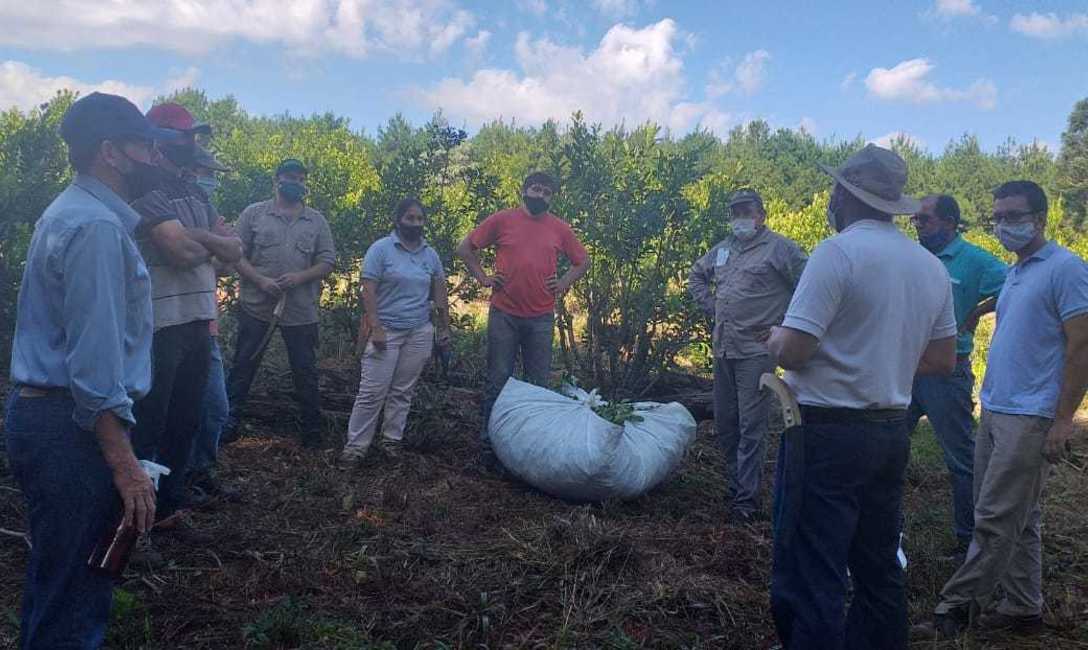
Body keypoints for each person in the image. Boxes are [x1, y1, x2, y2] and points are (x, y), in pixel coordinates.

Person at [766, 144, 957, 649]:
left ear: (845, 195)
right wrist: (882, 356)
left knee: (814, 568)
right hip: (891, 430)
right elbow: (941, 360)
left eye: (835, 190)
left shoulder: (838, 252)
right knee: (878, 566)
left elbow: (797, 351)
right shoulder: (929, 266)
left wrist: (775, 338)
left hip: (827, 432)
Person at [4, 92, 173, 648]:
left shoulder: (78, 214)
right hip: (70, 429)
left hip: (55, 421)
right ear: (111, 153)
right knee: (75, 596)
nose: (156, 158)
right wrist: (123, 464)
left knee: (58, 582)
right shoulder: (95, 228)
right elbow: (94, 364)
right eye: (145, 146)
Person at [913, 181, 1088, 639]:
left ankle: (954, 610)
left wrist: (1064, 418)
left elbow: (1081, 346)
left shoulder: (1066, 269)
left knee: (992, 517)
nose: (1005, 224)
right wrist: (976, 312)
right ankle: (1023, 609)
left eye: (1015, 215)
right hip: (995, 406)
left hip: (1031, 415)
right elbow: (1017, 307)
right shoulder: (1017, 271)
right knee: (1021, 517)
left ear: (1041, 217)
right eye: (999, 216)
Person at [129, 103, 243, 526]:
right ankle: (135, 521)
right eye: (182, 135)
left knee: (186, 421)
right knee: (149, 426)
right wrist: (209, 244)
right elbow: (176, 252)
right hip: (161, 324)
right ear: (156, 139)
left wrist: (203, 242)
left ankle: (170, 510)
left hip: (198, 319)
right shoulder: (141, 186)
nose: (190, 143)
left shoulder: (195, 192)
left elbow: (233, 254)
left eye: (193, 135)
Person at [688, 188, 807, 524]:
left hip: (757, 351)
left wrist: (787, 327)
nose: (741, 218)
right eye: (735, 212)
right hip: (723, 346)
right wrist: (711, 307)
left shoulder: (780, 249)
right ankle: (735, 481)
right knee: (726, 421)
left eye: (747, 211)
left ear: (761, 215)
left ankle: (746, 502)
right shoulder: (724, 249)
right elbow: (697, 276)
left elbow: (810, 285)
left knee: (751, 426)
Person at [456, 171, 590, 466]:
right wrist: (483, 277)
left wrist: (564, 282)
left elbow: (583, 261)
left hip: (541, 317)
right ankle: (489, 447)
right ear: (524, 190)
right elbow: (465, 248)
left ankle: (530, 448)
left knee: (537, 385)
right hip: (504, 313)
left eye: (546, 191)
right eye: (535, 189)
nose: (540, 195)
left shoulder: (560, 229)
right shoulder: (502, 220)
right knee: (497, 380)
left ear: (552, 197)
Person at [908, 194, 1007, 558]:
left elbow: (1012, 284)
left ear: (950, 222)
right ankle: (884, 530)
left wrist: (978, 311)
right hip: (905, 369)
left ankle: (969, 541)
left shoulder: (975, 260)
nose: (918, 227)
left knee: (961, 459)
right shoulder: (916, 257)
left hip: (946, 373)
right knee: (885, 445)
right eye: (915, 221)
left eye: (926, 220)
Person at [225, 158, 337, 449]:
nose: (296, 183)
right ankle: (227, 425)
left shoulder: (316, 221)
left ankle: (312, 435)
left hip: (300, 311)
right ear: (277, 181)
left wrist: (301, 277)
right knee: (243, 367)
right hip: (256, 307)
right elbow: (236, 254)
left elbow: (327, 261)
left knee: (305, 372)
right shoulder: (254, 214)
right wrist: (260, 281)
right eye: (290, 177)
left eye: (301, 179)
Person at [340, 198, 452, 465]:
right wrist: (375, 326)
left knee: (402, 391)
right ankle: (355, 448)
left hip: (418, 331)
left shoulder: (430, 255)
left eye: (419, 219)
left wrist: (444, 327)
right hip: (386, 330)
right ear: (398, 220)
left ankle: (391, 442)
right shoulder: (381, 249)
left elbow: (439, 291)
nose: (415, 224)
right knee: (372, 391)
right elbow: (368, 289)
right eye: (410, 218)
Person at [185, 145, 241, 501]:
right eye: (207, 174)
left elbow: (225, 265)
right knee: (182, 411)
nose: (211, 181)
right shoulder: (164, 212)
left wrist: (217, 243)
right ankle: (173, 485)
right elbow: (178, 254)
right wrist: (217, 242)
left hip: (206, 325)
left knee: (215, 409)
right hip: (178, 328)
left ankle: (199, 472)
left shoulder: (206, 213)